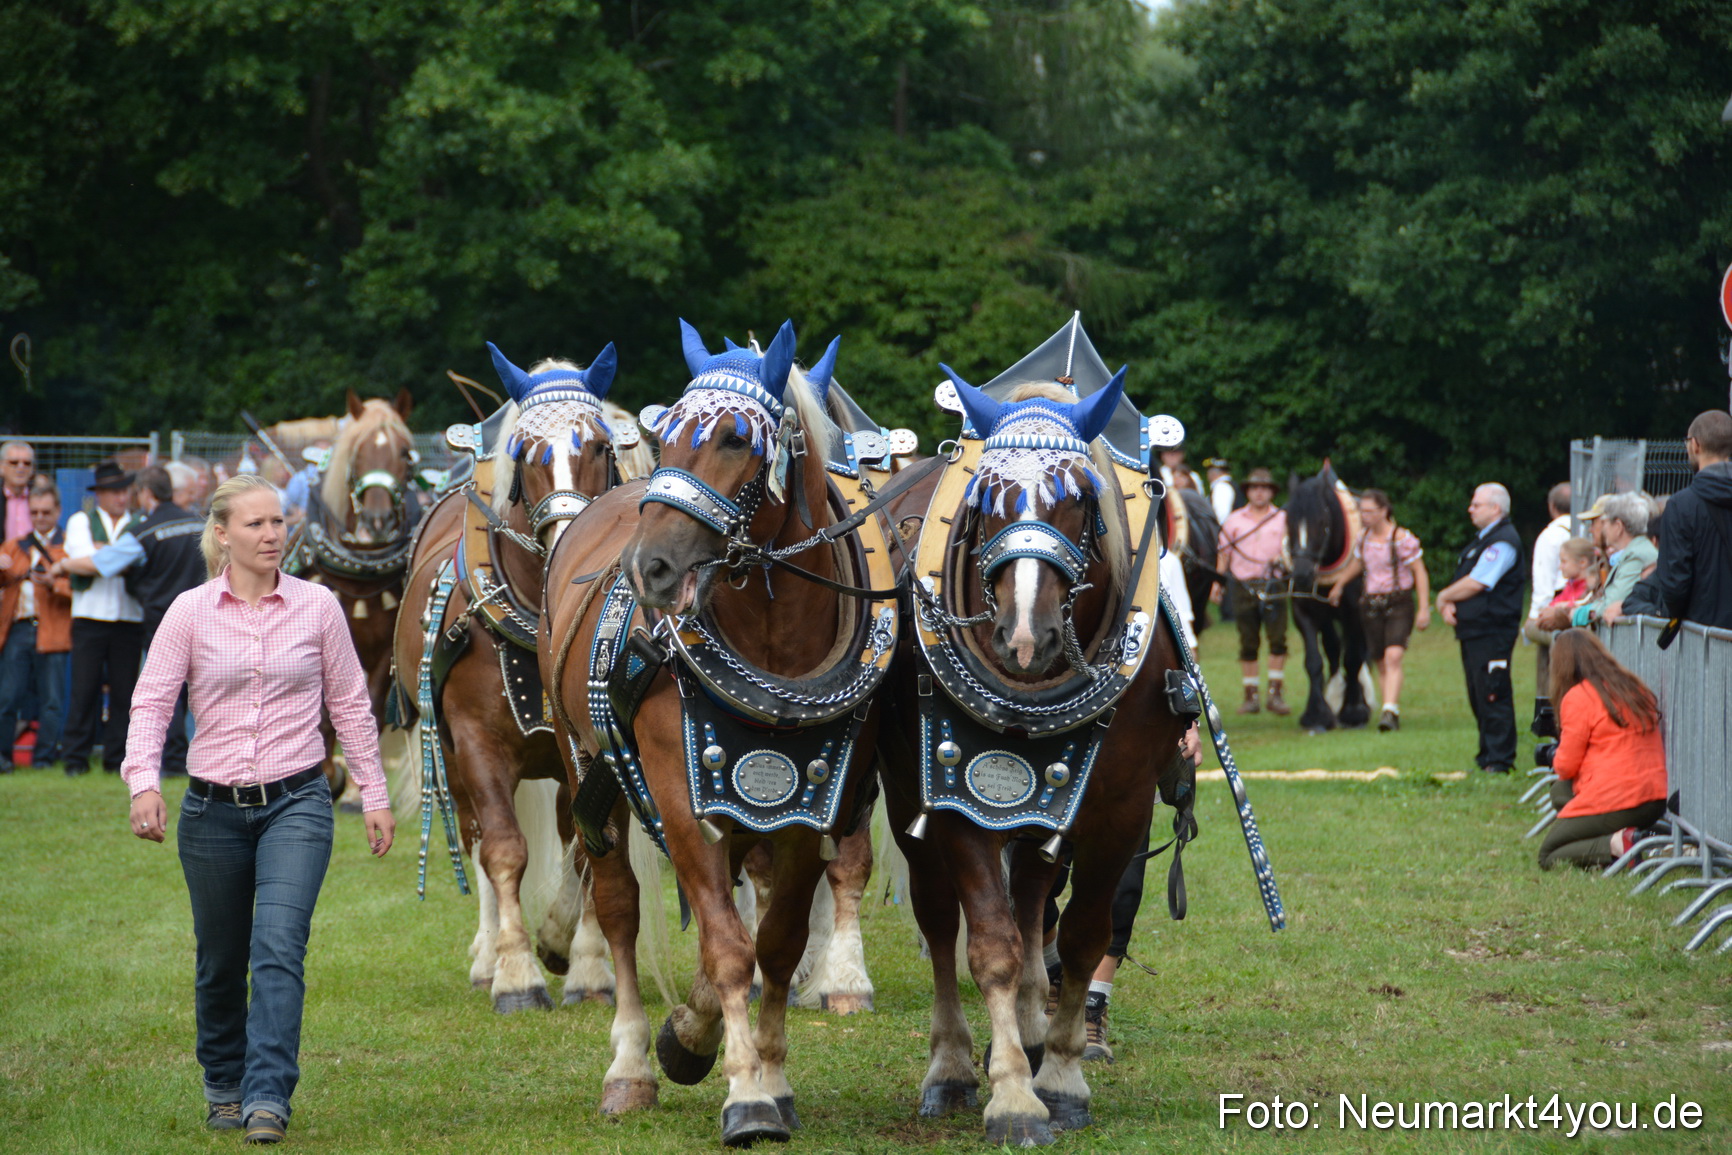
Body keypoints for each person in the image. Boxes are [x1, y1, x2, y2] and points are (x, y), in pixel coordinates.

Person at [122, 474, 395, 1144]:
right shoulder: (190, 611)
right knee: (221, 957)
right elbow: (152, 699)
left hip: (298, 802)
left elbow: (351, 705)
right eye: (256, 524)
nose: (273, 534)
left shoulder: (319, 607)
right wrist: (143, 782)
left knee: (278, 946)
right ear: (222, 534)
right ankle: (223, 1080)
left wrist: (376, 791)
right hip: (211, 810)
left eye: (278, 522)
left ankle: (268, 1093)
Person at [53, 465, 209, 776]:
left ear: (145, 494)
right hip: (202, 615)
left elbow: (103, 562)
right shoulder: (197, 524)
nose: (125, 496)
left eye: (130, 490)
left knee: (163, 691)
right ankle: (200, 760)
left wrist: (63, 566)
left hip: (158, 620)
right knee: (201, 689)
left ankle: (173, 761)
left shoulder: (144, 530)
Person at [1536, 629, 1667, 870]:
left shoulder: (1578, 697)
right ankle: (1622, 837)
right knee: (1560, 792)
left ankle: (1615, 844)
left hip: (1619, 798)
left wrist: (1557, 755)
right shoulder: (1634, 688)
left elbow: (1565, 767)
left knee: (1548, 854)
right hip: (1655, 797)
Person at [59, 461, 145, 776]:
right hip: (90, 617)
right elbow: (81, 562)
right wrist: (114, 556)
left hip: (128, 618)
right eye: (113, 491)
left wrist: (100, 554)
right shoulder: (81, 519)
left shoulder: (138, 521)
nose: (121, 497)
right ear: (99, 495)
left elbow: (95, 561)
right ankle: (75, 759)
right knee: (84, 689)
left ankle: (117, 759)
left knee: (125, 692)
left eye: (123, 490)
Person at [1435, 483, 1525, 774]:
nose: (1470, 509)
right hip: (1475, 630)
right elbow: (1467, 579)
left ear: (1495, 508)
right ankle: (1487, 755)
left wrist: (1444, 596)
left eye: (1477, 504)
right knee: (1478, 692)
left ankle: (1500, 760)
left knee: (1492, 691)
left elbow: (1479, 581)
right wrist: (1452, 604)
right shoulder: (1481, 541)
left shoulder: (1503, 542)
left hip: (1493, 631)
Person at [1326, 489, 1430, 730]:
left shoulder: (1401, 538)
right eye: (1362, 511)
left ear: (1384, 511)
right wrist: (1339, 585)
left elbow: (1419, 572)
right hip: (1371, 604)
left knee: (1394, 655)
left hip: (1398, 602)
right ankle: (1389, 709)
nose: (1364, 516)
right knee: (1381, 660)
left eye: (1369, 511)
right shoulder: (1363, 539)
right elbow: (1357, 564)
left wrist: (1424, 608)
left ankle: (1389, 710)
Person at [1627, 410, 1732, 630]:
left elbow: (1675, 585)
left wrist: (1671, 614)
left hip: (1703, 636)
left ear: (1695, 444)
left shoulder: (1681, 505)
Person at [0, 487, 72, 770]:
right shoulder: (14, 546)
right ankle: (3, 757)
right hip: (18, 627)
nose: (40, 517)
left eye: (46, 512)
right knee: (7, 696)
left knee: (52, 699)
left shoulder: (68, 547)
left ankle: (43, 758)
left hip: (52, 627)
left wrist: (54, 583)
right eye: (34, 512)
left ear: (57, 512)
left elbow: (80, 590)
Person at [1213, 468, 1290, 715]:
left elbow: (1293, 550)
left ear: (1271, 492)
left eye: (1264, 488)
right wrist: (1218, 583)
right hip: (1242, 585)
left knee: (1278, 639)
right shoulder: (1234, 519)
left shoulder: (1283, 518)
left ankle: (1275, 694)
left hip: (1274, 584)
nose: (1259, 492)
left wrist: (1284, 559)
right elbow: (1223, 554)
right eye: (1254, 488)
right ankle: (1251, 696)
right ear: (1247, 491)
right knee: (1248, 640)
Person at [1535, 493, 1655, 631]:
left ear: (1618, 527)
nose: (1600, 529)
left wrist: (1577, 613)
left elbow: (1611, 603)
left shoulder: (1636, 556)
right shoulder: (1631, 554)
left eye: (1605, 523)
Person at [1525, 482, 1571, 686]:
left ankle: (1546, 709)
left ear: (1552, 506)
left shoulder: (1550, 535)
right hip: (1574, 605)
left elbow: (1543, 585)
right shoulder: (1588, 528)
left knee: (1546, 660)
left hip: (1554, 608)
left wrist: (1535, 618)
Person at [2, 440, 35, 544]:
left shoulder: (39, 498)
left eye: (27, 463)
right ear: (1, 467)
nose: (21, 467)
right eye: (14, 463)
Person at [1204, 457, 1241, 527]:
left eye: (1209, 471)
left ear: (1213, 473)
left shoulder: (1221, 487)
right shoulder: (1231, 485)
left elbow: (1221, 517)